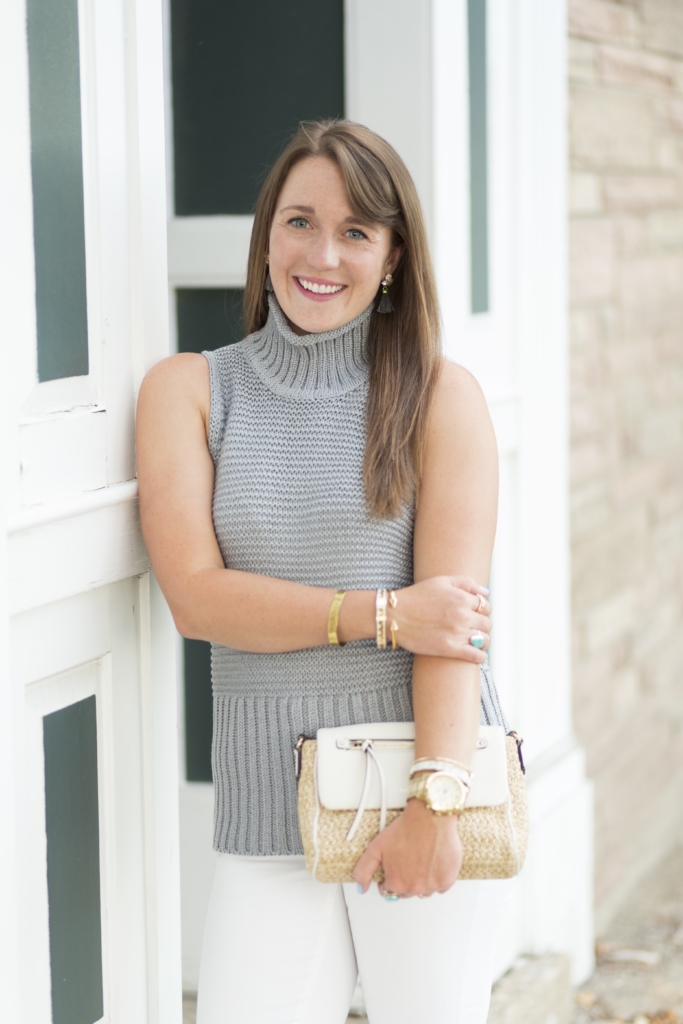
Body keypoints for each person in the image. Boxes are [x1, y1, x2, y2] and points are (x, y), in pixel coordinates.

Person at [137, 120, 513, 1024]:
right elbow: (198, 599)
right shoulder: (189, 390)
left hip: (414, 786)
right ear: (267, 233)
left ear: (390, 258)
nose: (321, 254)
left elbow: (453, 625)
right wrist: (387, 614)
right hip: (267, 809)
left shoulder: (438, 393)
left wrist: (436, 800)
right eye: (300, 221)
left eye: (354, 232)